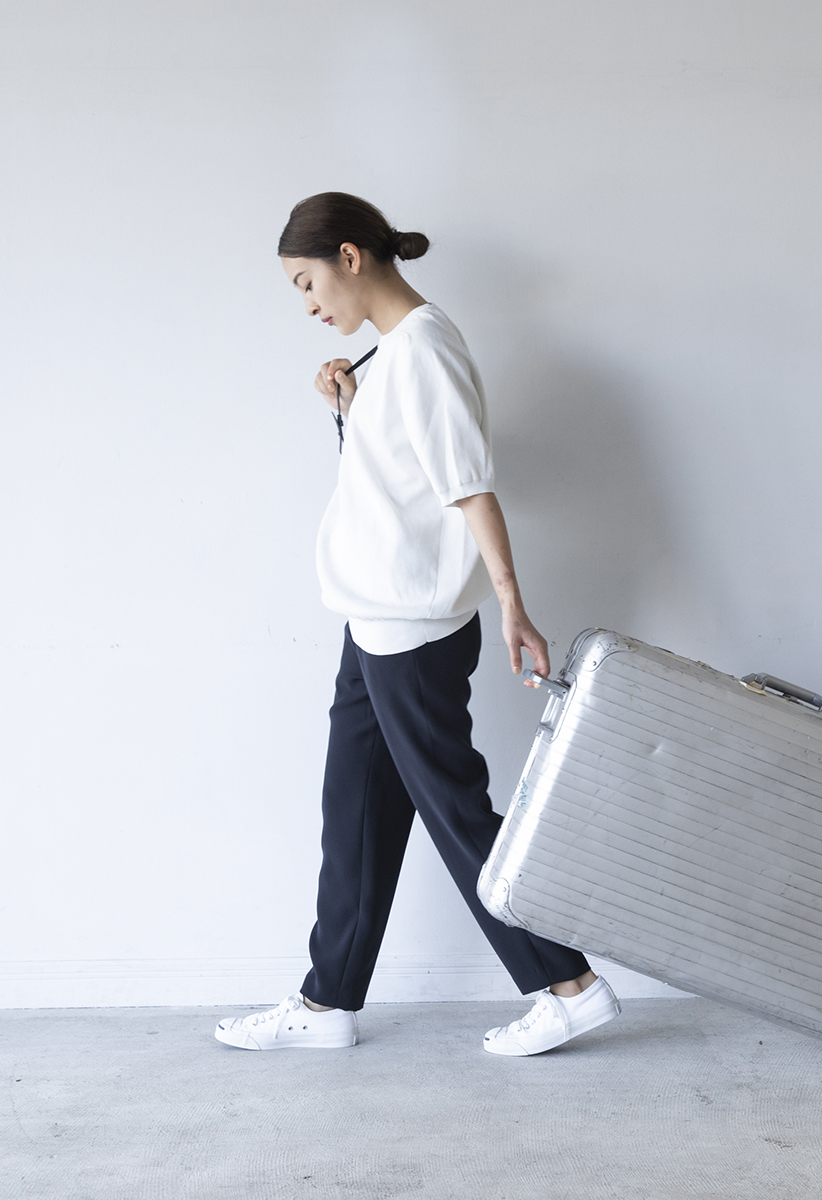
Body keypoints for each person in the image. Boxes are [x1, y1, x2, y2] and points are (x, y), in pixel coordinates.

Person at [214, 192, 620, 1056]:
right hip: (373, 620)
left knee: (454, 811)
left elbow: (469, 487)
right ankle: (328, 1004)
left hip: (410, 630)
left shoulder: (426, 347)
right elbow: (396, 483)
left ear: (350, 256)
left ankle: (571, 987)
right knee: (354, 813)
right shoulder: (395, 355)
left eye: (307, 282)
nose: (308, 305)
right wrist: (350, 410)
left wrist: (512, 603)